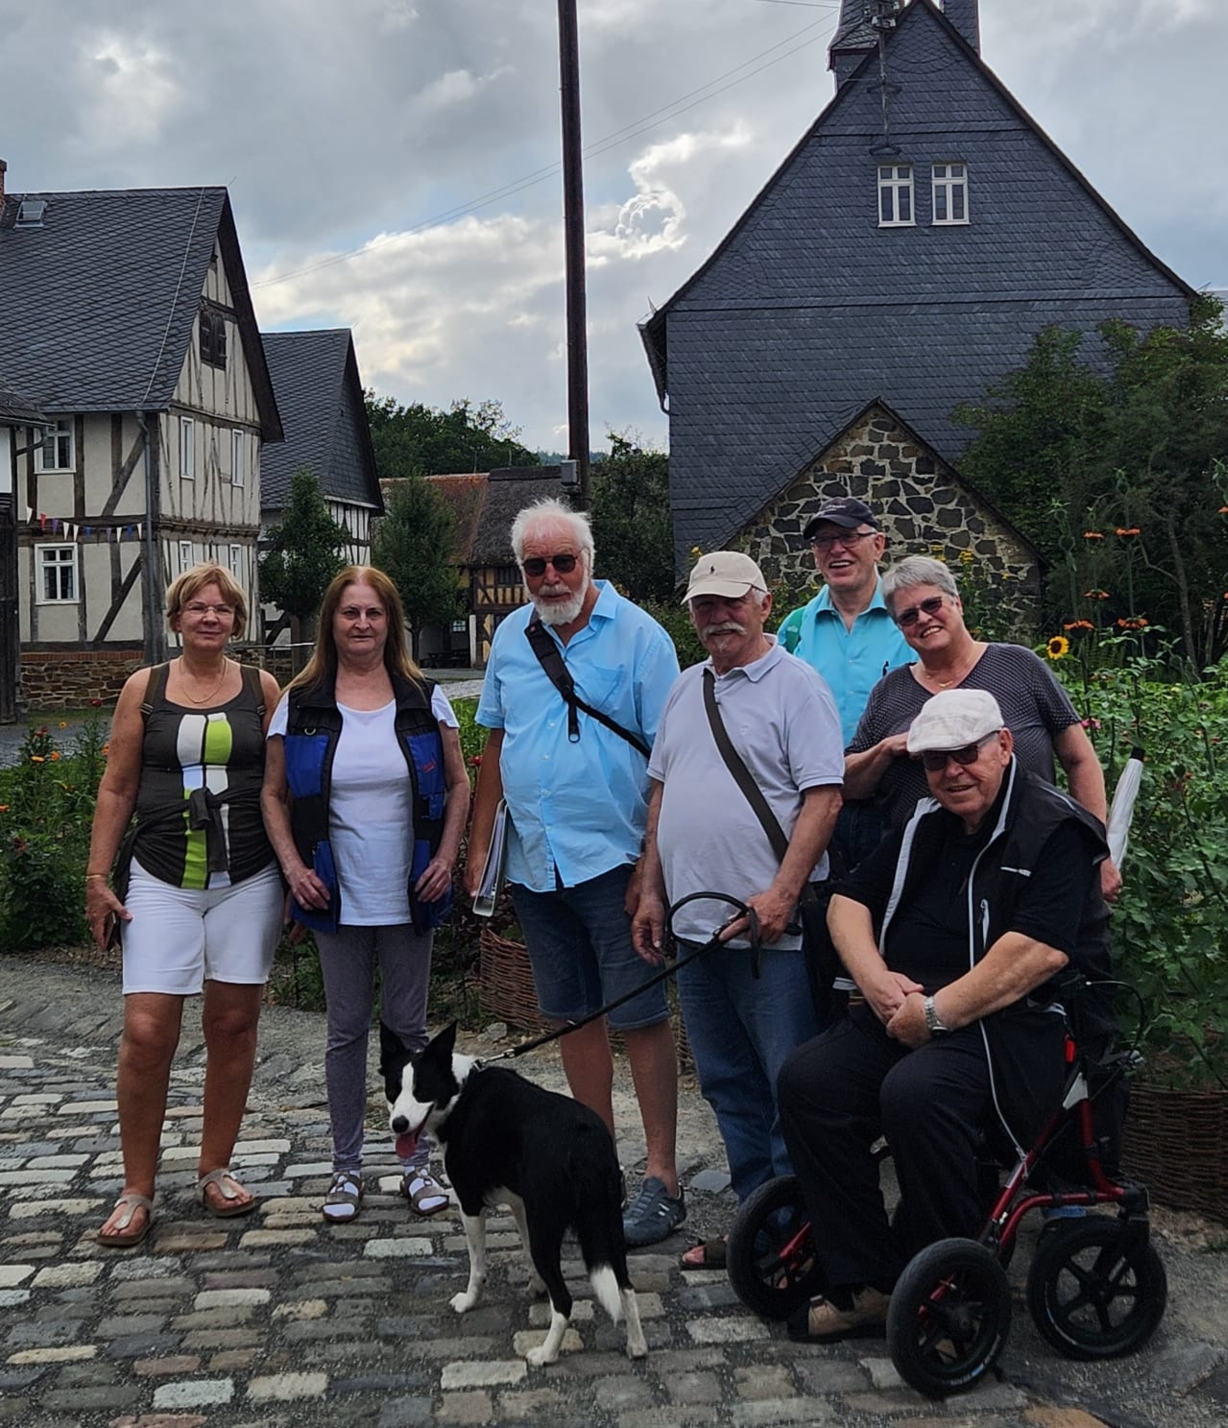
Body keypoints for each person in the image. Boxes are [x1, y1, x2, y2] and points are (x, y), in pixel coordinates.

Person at [777, 687, 1112, 1341]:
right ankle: (870, 1278)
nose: (952, 771)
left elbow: (1037, 954)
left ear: (1005, 747)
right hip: (911, 1011)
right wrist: (879, 988)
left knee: (915, 1092)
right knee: (808, 1082)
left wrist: (933, 1014)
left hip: (1022, 1029)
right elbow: (848, 901)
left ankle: (951, 1274)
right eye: (937, 761)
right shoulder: (926, 824)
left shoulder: (1056, 829)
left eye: (966, 754)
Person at [463, 499, 685, 1249]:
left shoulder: (641, 638)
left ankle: (661, 1178)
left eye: (564, 561)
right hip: (537, 861)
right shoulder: (510, 639)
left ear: (588, 560)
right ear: (520, 570)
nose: (551, 576)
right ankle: (600, 1166)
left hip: (616, 859)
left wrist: (652, 872)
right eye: (536, 565)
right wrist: (478, 849)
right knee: (573, 1015)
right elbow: (496, 744)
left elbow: (670, 763)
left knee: (641, 1017)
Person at [632, 550, 843, 1268]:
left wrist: (783, 894)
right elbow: (662, 792)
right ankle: (763, 1220)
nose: (717, 617)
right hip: (694, 929)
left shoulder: (798, 688)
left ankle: (805, 1230)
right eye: (704, 606)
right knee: (726, 1083)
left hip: (768, 935)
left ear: (762, 603)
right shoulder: (686, 689)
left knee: (790, 1086)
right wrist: (652, 887)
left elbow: (824, 796)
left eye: (730, 603)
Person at [260, 565, 471, 1223]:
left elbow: (461, 784)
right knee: (346, 1032)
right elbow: (273, 793)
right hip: (333, 894)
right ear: (332, 622)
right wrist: (294, 870)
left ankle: (416, 1167)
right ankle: (345, 1171)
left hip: (410, 890)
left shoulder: (422, 698)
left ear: (390, 622)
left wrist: (446, 857)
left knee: (410, 1031)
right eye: (350, 613)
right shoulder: (301, 703)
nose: (361, 624)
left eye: (373, 613)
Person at [84, 562, 284, 1246]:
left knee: (232, 1024)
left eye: (222, 609)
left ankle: (215, 1167)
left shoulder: (262, 689)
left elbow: (282, 785)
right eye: (197, 608)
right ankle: (136, 1187)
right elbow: (116, 786)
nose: (210, 618)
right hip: (162, 875)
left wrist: (293, 869)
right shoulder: (147, 688)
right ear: (176, 620)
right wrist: (96, 874)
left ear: (236, 620)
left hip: (248, 876)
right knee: (147, 1032)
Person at [842, 555, 1120, 902]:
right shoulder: (890, 692)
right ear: (900, 629)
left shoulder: (1019, 666)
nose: (924, 619)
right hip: (923, 881)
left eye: (932, 604)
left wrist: (1096, 849)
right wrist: (885, 750)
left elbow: (1079, 760)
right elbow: (848, 786)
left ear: (957, 602)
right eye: (909, 616)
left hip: (1028, 866)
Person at [775, 497, 909, 876]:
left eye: (848, 537)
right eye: (823, 541)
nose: (836, 549)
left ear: (878, 545)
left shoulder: (911, 619)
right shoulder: (795, 628)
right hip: (813, 806)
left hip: (895, 804)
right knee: (820, 920)